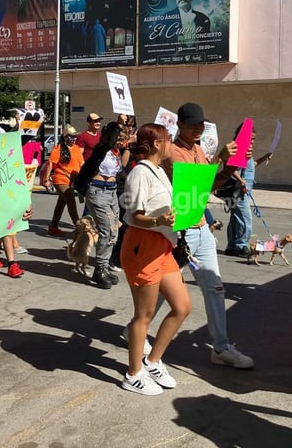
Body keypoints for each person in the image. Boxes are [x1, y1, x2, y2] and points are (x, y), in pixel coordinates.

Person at [161, 102, 254, 369]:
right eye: (192, 125)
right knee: (162, 288)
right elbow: (196, 185)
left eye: (201, 124)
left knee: (214, 288)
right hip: (181, 231)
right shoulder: (173, 153)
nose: (197, 129)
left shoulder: (198, 149)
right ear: (179, 125)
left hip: (200, 228)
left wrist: (232, 165)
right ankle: (138, 328)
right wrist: (220, 159)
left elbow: (211, 187)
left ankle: (221, 347)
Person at [120, 123, 191, 395]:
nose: (171, 143)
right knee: (144, 315)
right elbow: (133, 215)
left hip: (162, 245)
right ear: (156, 144)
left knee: (182, 306)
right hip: (142, 246)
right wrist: (159, 220)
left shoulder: (159, 171)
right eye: (167, 139)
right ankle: (133, 373)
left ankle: (153, 361)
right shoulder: (139, 173)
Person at [75, 121, 129, 289]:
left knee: (114, 230)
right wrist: (119, 124)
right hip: (98, 192)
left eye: (122, 139)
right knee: (106, 230)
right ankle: (100, 269)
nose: (120, 141)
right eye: (118, 138)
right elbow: (108, 139)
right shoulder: (102, 149)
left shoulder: (115, 152)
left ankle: (105, 265)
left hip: (112, 192)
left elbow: (123, 168)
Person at [224, 126, 272, 257]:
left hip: (243, 190)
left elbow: (251, 165)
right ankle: (241, 245)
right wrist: (241, 181)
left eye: (254, 139)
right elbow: (230, 167)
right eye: (250, 139)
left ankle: (232, 246)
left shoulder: (246, 150)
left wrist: (263, 158)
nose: (252, 142)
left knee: (236, 218)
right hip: (238, 190)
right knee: (245, 219)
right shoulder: (236, 149)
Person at [39, 125, 83, 236]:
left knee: (61, 203)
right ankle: (79, 226)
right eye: (71, 136)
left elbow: (82, 164)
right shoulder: (58, 148)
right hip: (61, 178)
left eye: (75, 136)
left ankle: (53, 226)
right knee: (71, 200)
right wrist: (46, 179)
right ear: (65, 137)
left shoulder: (77, 149)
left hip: (73, 180)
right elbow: (50, 164)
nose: (73, 139)